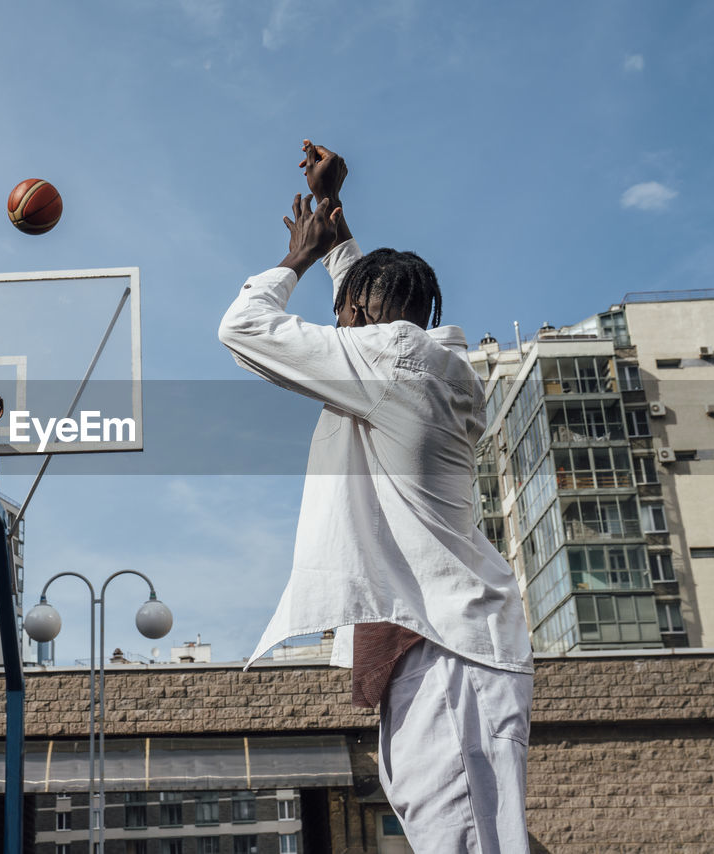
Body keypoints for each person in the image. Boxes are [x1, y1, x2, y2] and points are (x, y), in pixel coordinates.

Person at [217, 141, 534, 852]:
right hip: (445, 639)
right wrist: (336, 216)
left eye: (343, 315)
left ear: (360, 313)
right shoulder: (423, 362)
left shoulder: (391, 361)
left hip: (446, 646)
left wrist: (298, 253)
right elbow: (373, 315)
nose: (335, 330)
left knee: (462, 841)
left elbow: (242, 329)